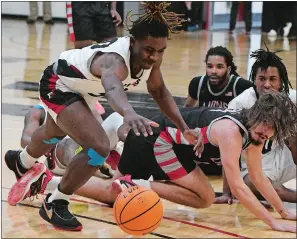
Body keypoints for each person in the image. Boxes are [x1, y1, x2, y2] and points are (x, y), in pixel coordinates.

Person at [5, 2, 203, 231]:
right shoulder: (115, 61)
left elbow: (159, 91)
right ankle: (56, 201)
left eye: (160, 51)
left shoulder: (151, 59)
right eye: (149, 50)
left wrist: (183, 126)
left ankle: (21, 161)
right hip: (59, 82)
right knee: (98, 147)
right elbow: (112, 89)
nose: (154, 56)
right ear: (132, 42)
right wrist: (128, 112)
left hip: (83, 88)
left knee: (54, 131)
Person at [10, 92, 297, 233]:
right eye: (267, 125)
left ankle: (48, 181)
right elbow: (237, 185)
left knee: (202, 197)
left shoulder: (254, 134)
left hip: (170, 143)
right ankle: (128, 183)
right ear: (257, 113)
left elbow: (258, 178)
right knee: (122, 195)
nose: (268, 132)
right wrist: (271, 222)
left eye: (274, 130)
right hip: (155, 139)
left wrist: (283, 212)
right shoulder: (232, 131)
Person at [215, 48, 297, 204]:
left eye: (272, 79)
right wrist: (226, 192)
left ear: (280, 82)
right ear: (254, 79)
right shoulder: (240, 105)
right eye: (262, 78)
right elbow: (225, 148)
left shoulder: (290, 98)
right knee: (255, 186)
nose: (267, 84)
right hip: (254, 168)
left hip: (284, 159)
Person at [184, 46, 253, 175]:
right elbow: (187, 113)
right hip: (204, 140)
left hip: (231, 143)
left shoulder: (242, 87)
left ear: (228, 69)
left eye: (219, 67)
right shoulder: (197, 84)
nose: (213, 71)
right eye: (210, 66)